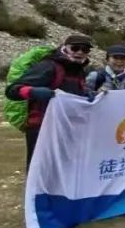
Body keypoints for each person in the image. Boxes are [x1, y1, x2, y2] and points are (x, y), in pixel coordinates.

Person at [6, 33, 93, 178]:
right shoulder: (48, 66)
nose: (79, 52)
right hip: (42, 128)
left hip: (68, 128)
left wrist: (88, 95)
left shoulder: (79, 71)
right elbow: (12, 91)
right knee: (40, 170)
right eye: (75, 48)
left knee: (64, 170)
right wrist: (33, 91)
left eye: (85, 49)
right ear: (65, 47)